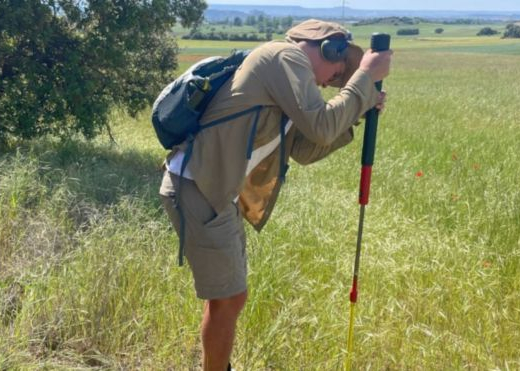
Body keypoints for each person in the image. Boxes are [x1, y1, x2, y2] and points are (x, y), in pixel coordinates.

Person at [158, 19, 393, 371]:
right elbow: (322, 127)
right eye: (339, 67)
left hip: (215, 190)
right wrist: (364, 78)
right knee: (229, 298)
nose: (334, 78)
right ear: (328, 47)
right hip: (200, 185)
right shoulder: (284, 57)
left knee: (228, 297)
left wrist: (357, 112)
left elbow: (305, 149)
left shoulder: (287, 79)